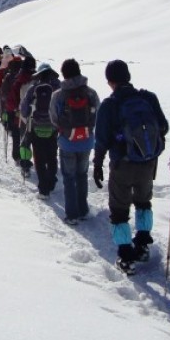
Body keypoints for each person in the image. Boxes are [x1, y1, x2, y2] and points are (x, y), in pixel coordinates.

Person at [93, 59, 169, 275]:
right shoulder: (148, 98)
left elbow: (101, 139)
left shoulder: (110, 105)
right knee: (144, 203)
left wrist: (97, 163)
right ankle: (143, 245)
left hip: (122, 165)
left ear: (110, 81)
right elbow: (163, 126)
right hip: (147, 162)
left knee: (119, 210)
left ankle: (126, 256)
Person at [49, 59, 99, 225]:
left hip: (67, 142)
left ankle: (71, 214)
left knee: (69, 177)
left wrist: (64, 130)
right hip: (86, 140)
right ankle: (83, 209)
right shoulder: (91, 93)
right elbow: (96, 115)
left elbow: (54, 118)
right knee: (82, 174)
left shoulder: (58, 95)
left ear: (64, 74)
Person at [19, 62, 61, 198]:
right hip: (54, 127)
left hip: (35, 127)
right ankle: (52, 181)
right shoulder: (58, 87)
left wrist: (26, 116)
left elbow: (24, 108)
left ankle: (43, 190)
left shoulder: (33, 88)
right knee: (52, 155)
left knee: (40, 158)